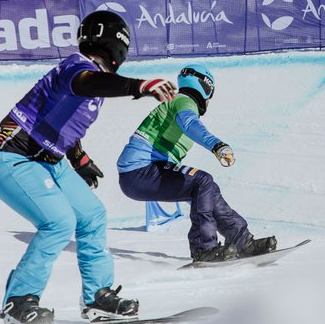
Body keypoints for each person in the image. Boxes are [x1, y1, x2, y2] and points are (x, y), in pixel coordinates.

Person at [0, 9, 176, 324]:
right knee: (58, 223)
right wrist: (140, 86)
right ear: (118, 44)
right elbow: (86, 83)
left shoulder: (90, 76)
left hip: (49, 161)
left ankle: (98, 298)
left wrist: (80, 160)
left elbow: (61, 121)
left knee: (92, 215)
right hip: (13, 156)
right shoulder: (78, 66)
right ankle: (18, 301)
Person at [116, 64, 276, 263]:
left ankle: (242, 241)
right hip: (139, 170)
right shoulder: (184, 101)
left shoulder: (176, 102)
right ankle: (204, 249)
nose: (209, 101)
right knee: (202, 181)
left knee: (207, 189)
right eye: (210, 94)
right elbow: (190, 124)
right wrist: (217, 145)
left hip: (139, 174)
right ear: (205, 87)